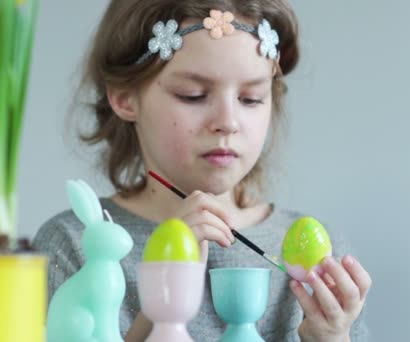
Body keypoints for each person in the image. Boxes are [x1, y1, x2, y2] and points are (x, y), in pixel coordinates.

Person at [33, 0, 372, 341]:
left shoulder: (320, 256)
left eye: (251, 98)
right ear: (124, 97)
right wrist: (163, 286)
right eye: (193, 95)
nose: (227, 122)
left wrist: (331, 336)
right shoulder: (79, 244)